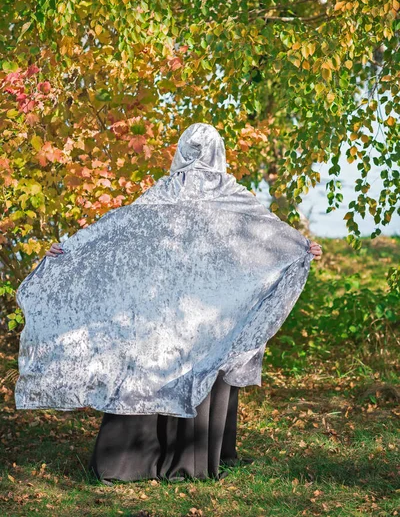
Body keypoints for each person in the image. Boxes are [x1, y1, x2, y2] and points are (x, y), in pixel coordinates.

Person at [17, 122, 322, 485]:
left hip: (164, 311)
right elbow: (263, 231)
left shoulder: (167, 189)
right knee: (203, 365)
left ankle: (130, 464)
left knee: (151, 368)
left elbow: (120, 225)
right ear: (219, 152)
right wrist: (298, 246)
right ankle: (190, 463)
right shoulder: (228, 191)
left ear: (180, 150)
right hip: (208, 310)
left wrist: (74, 247)